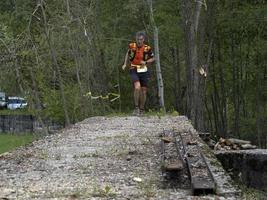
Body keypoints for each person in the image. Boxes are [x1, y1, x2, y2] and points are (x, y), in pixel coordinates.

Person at [122, 31, 155, 116]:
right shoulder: (132, 46)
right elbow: (127, 53)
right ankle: (136, 108)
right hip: (134, 68)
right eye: (137, 39)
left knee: (143, 91)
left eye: (140, 39)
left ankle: (142, 109)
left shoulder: (147, 48)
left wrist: (146, 61)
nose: (139, 41)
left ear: (143, 39)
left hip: (143, 70)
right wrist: (125, 63)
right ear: (136, 39)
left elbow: (152, 58)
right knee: (137, 88)